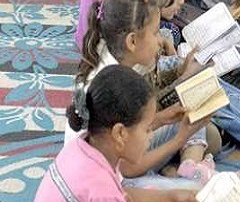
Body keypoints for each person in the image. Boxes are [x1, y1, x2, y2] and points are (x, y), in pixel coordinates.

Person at [67, 0, 221, 190]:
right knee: (193, 190)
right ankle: (180, 174)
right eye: (156, 32)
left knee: (204, 128)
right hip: (116, 180)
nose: (161, 40)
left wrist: (163, 118)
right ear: (132, 41)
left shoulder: (115, 56)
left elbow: (134, 128)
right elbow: (127, 168)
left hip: (122, 157)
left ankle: (185, 168)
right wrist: (178, 139)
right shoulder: (114, 87)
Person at [35, 65, 198, 202]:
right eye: (147, 129)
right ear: (120, 133)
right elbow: (113, 194)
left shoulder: (83, 146)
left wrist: (169, 197)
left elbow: (123, 194)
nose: (151, 135)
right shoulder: (102, 188)